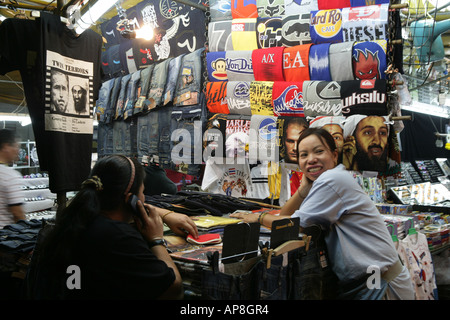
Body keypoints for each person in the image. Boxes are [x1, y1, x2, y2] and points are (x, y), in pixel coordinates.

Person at [231, 128, 415, 300]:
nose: (311, 159)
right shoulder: (329, 180)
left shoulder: (332, 179)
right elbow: (283, 217)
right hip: (371, 281)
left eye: (318, 152)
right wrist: (303, 190)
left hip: (378, 283)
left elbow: (293, 224)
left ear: (334, 155)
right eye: (303, 155)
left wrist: (259, 217)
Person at [31, 154, 198, 299]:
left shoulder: (75, 219)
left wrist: (165, 214)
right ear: (131, 200)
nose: (144, 198)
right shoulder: (118, 237)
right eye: (142, 192)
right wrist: (156, 240)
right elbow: (173, 291)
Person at [0, 129, 26, 228]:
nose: (18, 151)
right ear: (6, 147)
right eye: (16, 146)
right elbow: (17, 214)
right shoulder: (10, 175)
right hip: (4, 236)